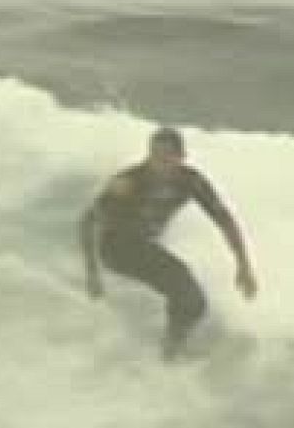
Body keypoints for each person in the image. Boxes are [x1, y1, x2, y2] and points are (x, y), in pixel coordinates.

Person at [79, 127, 258, 359]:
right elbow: (87, 221)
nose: (159, 164)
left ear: (181, 157)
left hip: (144, 247)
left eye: (166, 157)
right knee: (184, 285)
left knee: (195, 303)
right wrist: (92, 273)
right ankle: (169, 354)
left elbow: (225, 221)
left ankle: (170, 348)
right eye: (154, 156)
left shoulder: (191, 181)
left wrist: (243, 266)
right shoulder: (128, 181)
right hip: (116, 248)